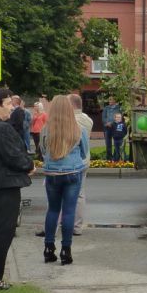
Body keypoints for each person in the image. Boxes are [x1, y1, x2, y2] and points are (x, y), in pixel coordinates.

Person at [0, 87, 35, 290]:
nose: (12, 108)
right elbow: (14, 156)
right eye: (8, 104)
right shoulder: (1, 128)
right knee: (3, 232)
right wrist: (29, 165)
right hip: (2, 185)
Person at [40, 95, 89, 266]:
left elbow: (43, 150)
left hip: (52, 173)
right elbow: (84, 153)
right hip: (72, 173)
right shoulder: (78, 129)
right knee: (69, 212)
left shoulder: (46, 129)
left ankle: (48, 248)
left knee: (53, 210)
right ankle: (65, 251)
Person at [69, 94, 92, 236]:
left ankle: (62, 223)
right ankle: (77, 226)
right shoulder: (87, 119)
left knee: (64, 193)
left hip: (72, 162)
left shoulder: (71, 121)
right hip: (85, 160)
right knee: (80, 194)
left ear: (72, 105)